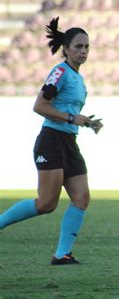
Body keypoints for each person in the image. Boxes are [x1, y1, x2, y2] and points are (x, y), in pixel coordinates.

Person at [0, 17, 103, 265]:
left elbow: (68, 111)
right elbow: (40, 105)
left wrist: (87, 122)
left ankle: (62, 254)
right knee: (46, 203)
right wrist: (70, 117)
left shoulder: (78, 77)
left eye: (87, 47)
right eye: (78, 46)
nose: (84, 51)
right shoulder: (60, 72)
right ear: (66, 49)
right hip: (51, 141)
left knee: (82, 198)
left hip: (69, 142)